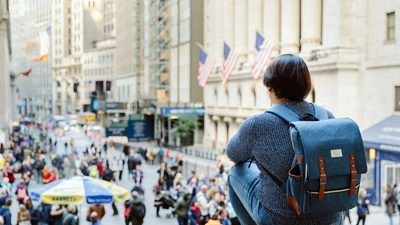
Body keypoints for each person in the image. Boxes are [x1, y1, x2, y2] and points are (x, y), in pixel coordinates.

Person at [226, 54, 343, 225]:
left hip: (281, 218)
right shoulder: (327, 116)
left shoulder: (258, 124)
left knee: (236, 172)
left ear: (272, 88)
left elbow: (232, 153)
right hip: (331, 217)